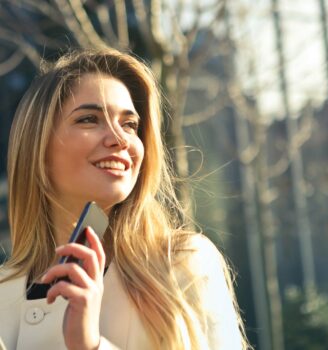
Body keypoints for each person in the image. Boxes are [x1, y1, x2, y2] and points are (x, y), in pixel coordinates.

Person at [0, 48, 250, 350]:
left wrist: (91, 345)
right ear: (36, 147)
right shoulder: (4, 292)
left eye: (130, 125)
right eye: (90, 119)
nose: (120, 139)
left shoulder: (181, 263)